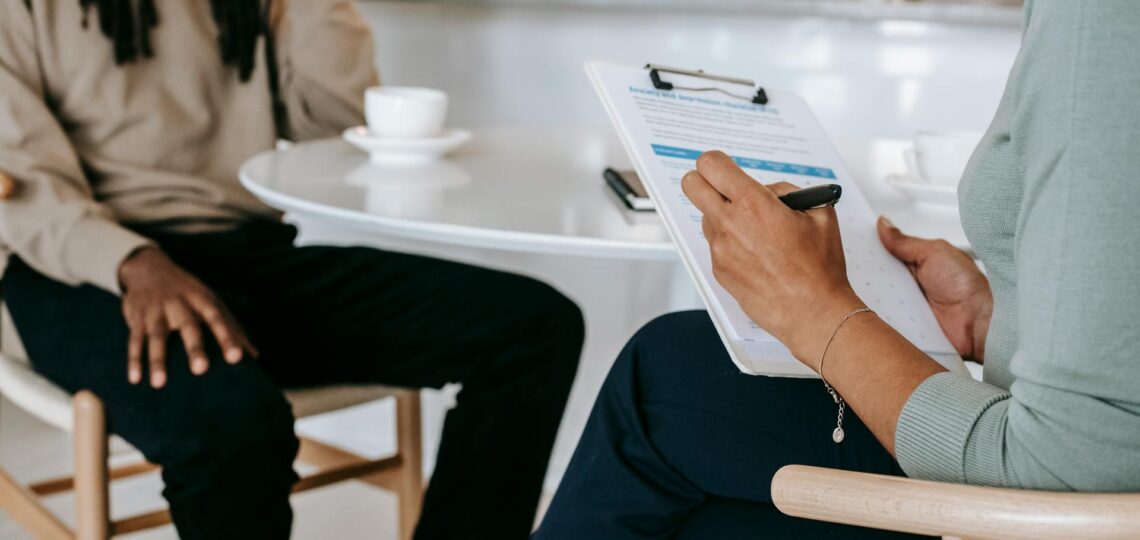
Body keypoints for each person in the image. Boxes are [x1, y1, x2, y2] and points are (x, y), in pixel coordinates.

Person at [533, 1, 1140, 538]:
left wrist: (815, 310)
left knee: (669, 374)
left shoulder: (1100, 21)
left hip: (1035, 514)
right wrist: (995, 322)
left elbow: (1064, 472)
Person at [0, 1, 584, 539]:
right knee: (234, 428)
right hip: (77, 267)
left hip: (245, 252)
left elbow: (338, 128)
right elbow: (18, 180)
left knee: (534, 329)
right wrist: (132, 262)